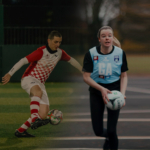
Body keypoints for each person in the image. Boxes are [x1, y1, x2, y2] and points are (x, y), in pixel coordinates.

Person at [2, 30, 82, 137]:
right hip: (28, 78)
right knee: (37, 93)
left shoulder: (60, 53)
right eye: (55, 42)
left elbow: (72, 60)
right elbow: (23, 60)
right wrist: (10, 73)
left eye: (59, 42)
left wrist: (83, 71)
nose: (58, 45)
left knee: (44, 114)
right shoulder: (41, 52)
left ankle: (20, 131)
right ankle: (34, 117)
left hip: (40, 83)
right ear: (49, 40)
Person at [82, 26, 128, 150]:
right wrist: (101, 89)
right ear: (99, 39)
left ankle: (111, 142)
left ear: (112, 38)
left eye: (109, 35)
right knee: (98, 131)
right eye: (104, 36)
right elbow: (86, 77)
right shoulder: (91, 54)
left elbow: (124, 76)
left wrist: (122, 94)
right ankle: (108, 138)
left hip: (114, 92)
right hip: (97, 92)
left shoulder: (120, 53)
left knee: (112, 130)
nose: (107, 38)